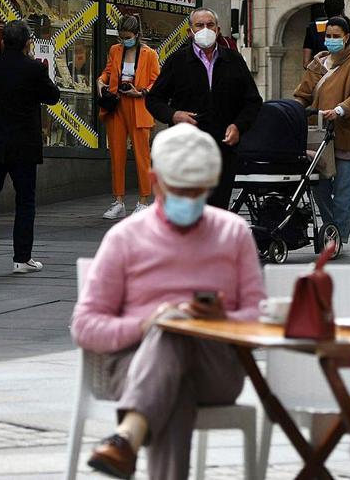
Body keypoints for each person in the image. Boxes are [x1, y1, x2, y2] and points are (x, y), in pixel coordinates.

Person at [72, 124, 264, 480]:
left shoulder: (233, 233)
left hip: (215, 367)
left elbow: (257, 316)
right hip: (134, 367)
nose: (190, 200)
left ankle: (128, 433)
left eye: (198, 192)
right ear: (154, 179)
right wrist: (147, 324)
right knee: (172, 346)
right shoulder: (125, 237)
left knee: (175, 332)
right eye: (180, 190)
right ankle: (131, 432)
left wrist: (222, 320)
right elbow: (84, 325)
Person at [0, 20, 62, 281]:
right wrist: (34, 63)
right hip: (23, 148)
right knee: (25, 202)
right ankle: (21, 258)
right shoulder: (33, 70)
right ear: (26, 43)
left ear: (3, 42)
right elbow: (53, 96)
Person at [146, 7, 263, 210]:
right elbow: (154, 99)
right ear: (190, 32)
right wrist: (173, 115)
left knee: (216, 210)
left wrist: (238, 126)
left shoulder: (233, 61)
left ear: (218, 30)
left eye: (210, 25)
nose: (205, 30)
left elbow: (253, 101)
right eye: (199, 25)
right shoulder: (177, 61)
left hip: (222, 150)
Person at [293, 16, 350, 255]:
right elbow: (302, 95)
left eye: (337, 36)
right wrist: (293, 110)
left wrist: (340, 109)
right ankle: (331, 229)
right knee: (320, 186)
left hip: (347, 134)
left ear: (347, 37)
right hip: (319, 138)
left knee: (345, 192)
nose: (332, 40)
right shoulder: (316, 65)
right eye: (328, 36)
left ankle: (336, 236)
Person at [97, 15, 161, 220]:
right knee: (116, 154)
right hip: (117, 105)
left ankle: (143, 200)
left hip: (138, 105)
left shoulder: (149, 54)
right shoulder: (115, 51)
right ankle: (119, 200)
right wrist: (101, 81)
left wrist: (141, 91)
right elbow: (107, 72)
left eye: (127, 37)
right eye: (121, 37)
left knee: (142, 155)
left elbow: (156, 81)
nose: (124, 40)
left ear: (137, 35)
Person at [303, 0, 350, 66]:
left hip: (319, 75)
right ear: (342, 10)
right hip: (345, 75)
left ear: (325, 10)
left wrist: (319, 69)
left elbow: (306, 63)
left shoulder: (313, 29)